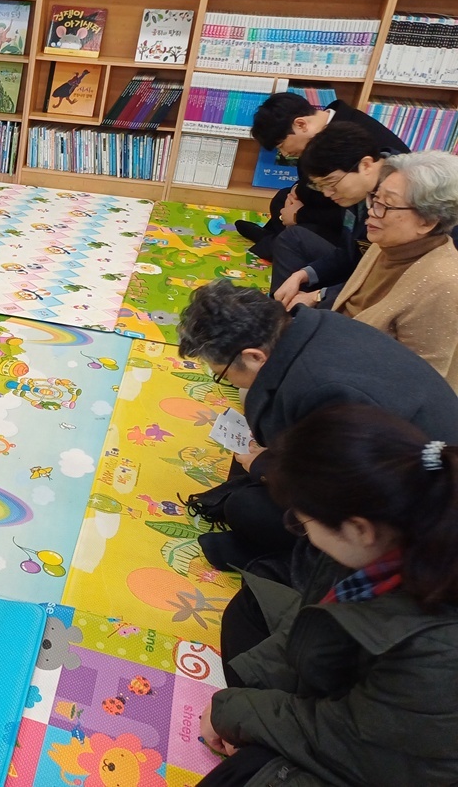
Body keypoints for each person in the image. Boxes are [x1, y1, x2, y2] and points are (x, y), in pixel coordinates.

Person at [199, 404, 458, 787]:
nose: (299, 528)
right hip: (361, 697)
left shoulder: (437, 650)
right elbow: (315, 618)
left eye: (301, 519)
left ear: (358, 529)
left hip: (388, 761)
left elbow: (351, 742)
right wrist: (245, 702)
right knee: (253, 604)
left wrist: (235, 713)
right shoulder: (389, 536)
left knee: (250, 772)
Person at [176, 280, 458, 572]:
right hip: (412, 458)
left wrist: (263, 465)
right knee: (245, 473)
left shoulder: (320, 390)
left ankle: (283, 562)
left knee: (246, 507)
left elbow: (343, 488)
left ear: (254, 357)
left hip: (416, 509)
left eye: (222, 375)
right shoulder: (318, 326)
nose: (226, 381)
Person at [332, 151, 458, 388]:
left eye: (386, 205)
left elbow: (419, 383)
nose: (372, 211)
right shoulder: (386, 244)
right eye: (375, 198)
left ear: (427, 222)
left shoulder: (445, 284)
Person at [241, 92, 409, 260]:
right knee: (282, 199)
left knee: (296, 234)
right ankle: (273, 240)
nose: (284, 153)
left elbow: (350, 207)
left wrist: (299, 215)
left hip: (358, 217)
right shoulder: (324, 127)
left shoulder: (350, 136)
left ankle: (274, 244)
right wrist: (296, 192)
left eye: (281, 145)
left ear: (301, 124)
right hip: (333, 201)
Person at [272, 123, 390, 309]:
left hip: (385, 295)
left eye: (331, 183)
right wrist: (302, 275)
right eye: (321, 186)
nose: (327, 193)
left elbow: (385, 280)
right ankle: (283, 312)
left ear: (366, 165)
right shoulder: (361, 191)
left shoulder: (400, 199)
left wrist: (320, 295)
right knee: (292, 238)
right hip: (361, 271)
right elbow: (348, 252)